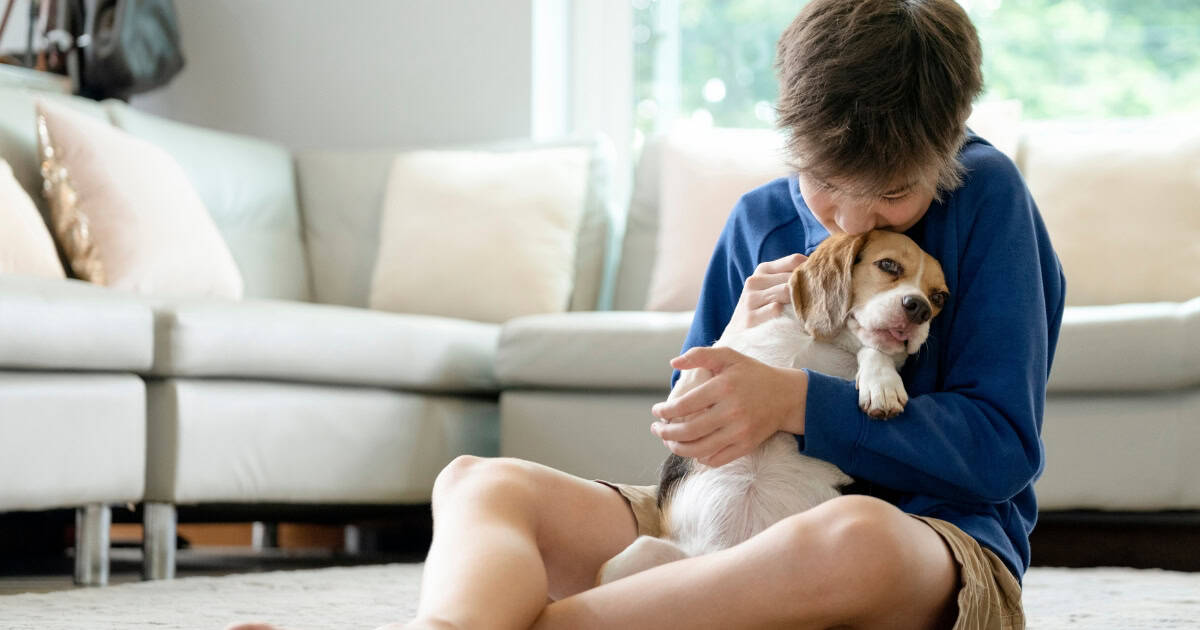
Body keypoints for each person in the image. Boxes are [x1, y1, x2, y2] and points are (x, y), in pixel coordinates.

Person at [231, 1, 1063, 629]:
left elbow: (1002, 452)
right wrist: (734, 356)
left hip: (929, 539)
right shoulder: (759, 221)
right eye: (824, 187)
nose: (846, 220)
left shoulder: (989, 202)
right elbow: (684, 443)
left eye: (892, 195)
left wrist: (800, 403)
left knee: (858, 536)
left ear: (949, 148)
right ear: (791, 140)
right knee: (478, 482)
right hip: (718, 517)